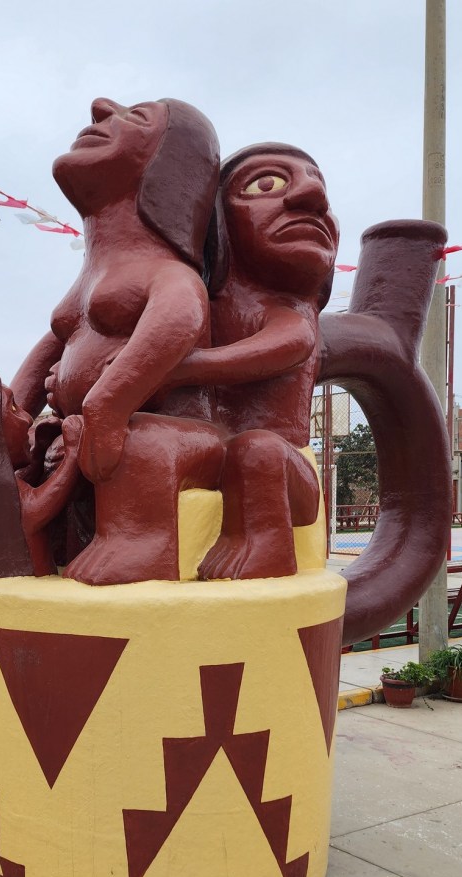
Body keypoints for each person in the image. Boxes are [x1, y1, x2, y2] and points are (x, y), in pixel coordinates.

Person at [10, 96, 227, 584]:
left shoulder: (165, 269)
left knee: (142, 442)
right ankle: (47, 545)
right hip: (91, 435)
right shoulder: (88, 281)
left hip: (182, 439)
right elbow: (49, 347)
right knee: (43, 450)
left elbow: (179, 317)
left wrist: (109, 403)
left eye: (138, 118)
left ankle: (143, 543)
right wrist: (10, 417)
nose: (100, 108)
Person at [163, 144, 339, 578]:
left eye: (319, 185)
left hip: (283, 472)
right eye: (267, 183)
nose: (313, 196)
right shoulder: (194, 299)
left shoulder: (288, 311)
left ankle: (266, 547)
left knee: (257, 450)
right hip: (208, 457)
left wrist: (178, 369)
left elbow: (287, 345)